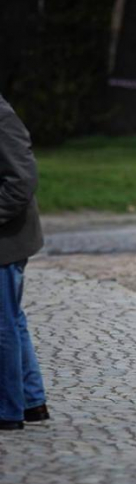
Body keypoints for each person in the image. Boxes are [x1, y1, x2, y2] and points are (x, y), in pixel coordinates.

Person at [0, 94, 49, 431]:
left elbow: (22, 181)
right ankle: (32, 402)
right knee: (12, 319)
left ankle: (8, 411)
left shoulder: (1, 116)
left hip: (6, 239)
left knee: (2, 324)